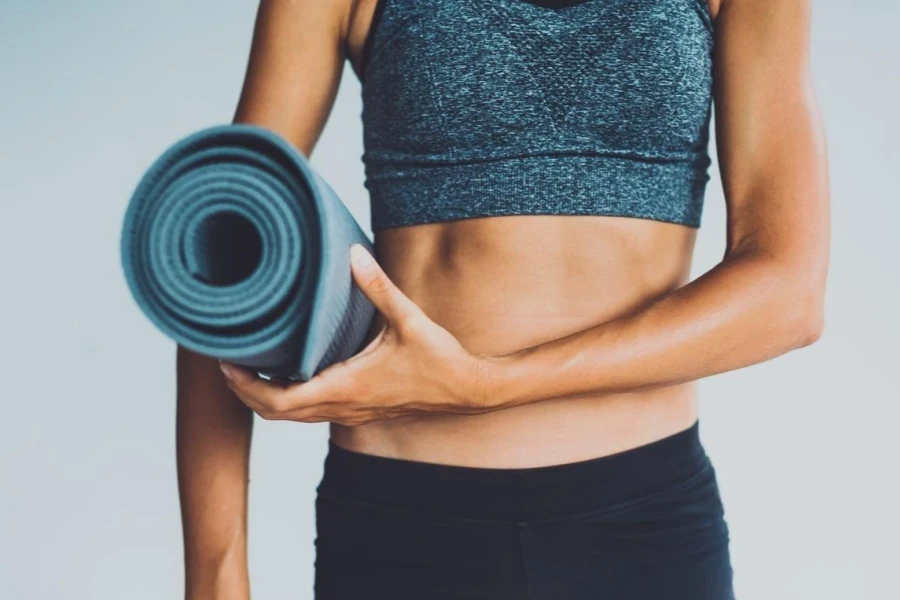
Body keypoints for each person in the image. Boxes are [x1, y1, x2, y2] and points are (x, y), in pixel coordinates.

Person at [176, 0, 829, 598]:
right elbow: (218, 239)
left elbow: (788, 292)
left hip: (644, 524)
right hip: (399, 529)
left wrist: (487, 385)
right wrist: (215, 573)